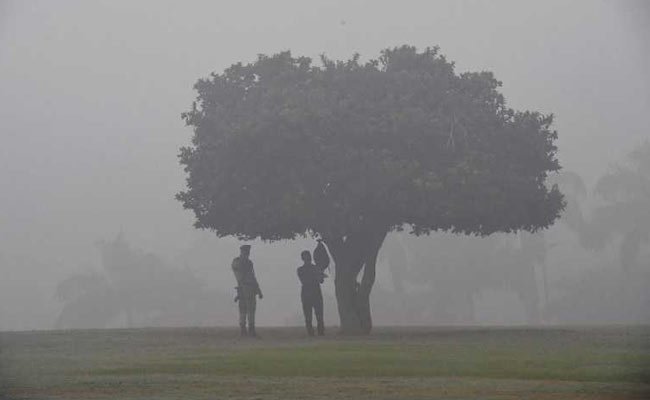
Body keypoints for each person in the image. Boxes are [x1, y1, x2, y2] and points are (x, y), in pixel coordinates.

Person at [231, 244, 263, 337]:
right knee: (245, 310)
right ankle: (245, 330)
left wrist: (258, 290)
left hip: (249, 288)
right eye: (246, 252)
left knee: (249, 310)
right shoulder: (238, 262)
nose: (247, 254)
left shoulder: (248, 262)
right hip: (244, 287)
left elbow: (253, 277)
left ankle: (248, 330)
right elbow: (241, 276)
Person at [297, 250, 326, 336]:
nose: (308, 258)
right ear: (303, 258)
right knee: (308, 315)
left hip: (313, 293)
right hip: (309, 293)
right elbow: (305, 281)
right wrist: (317, 275)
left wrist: (319, 275)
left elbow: (321, 280)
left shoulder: (315, 268)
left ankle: (320, 332)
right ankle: (311, 332)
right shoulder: (301, 270)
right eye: (306, 257)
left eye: (308, 256)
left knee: (319, 314)